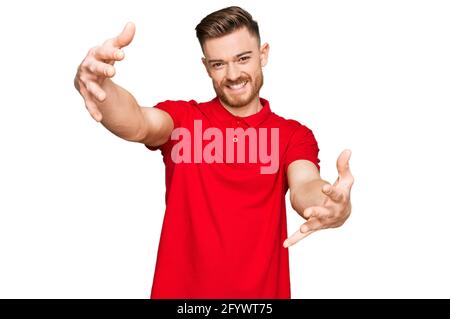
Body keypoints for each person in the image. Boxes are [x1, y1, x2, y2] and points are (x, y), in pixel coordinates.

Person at [74, 6, 354, 299]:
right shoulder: (183, 120)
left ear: (264, 54)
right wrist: (100, 86)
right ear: (206, 66)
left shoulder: (291, 135)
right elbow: (137, 123)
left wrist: (330, 203)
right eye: (219, 64)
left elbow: (305, 184)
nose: (233, 75)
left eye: (243, 59)